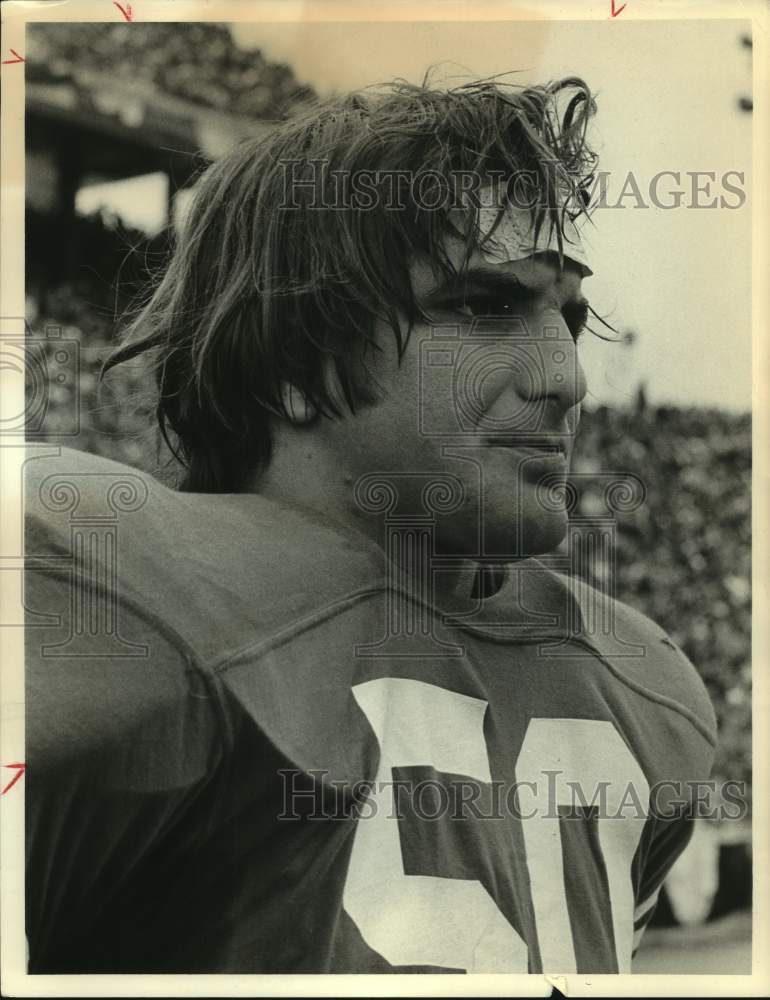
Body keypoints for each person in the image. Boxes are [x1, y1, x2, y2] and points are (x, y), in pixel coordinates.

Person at [25, 77, 716, 974]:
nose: (567, 380)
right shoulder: (118, 599)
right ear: (294, 364)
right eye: (484, 308)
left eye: (569, 319)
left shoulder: (644, 684)